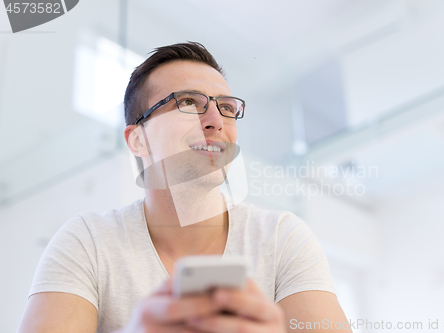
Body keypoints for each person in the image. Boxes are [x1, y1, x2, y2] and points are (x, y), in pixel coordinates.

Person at [18, 42, 351, 333]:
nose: (216, 121)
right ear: (139, 139)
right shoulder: (87, 241)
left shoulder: (282, 238)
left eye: (226, 108)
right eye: (188, 103)